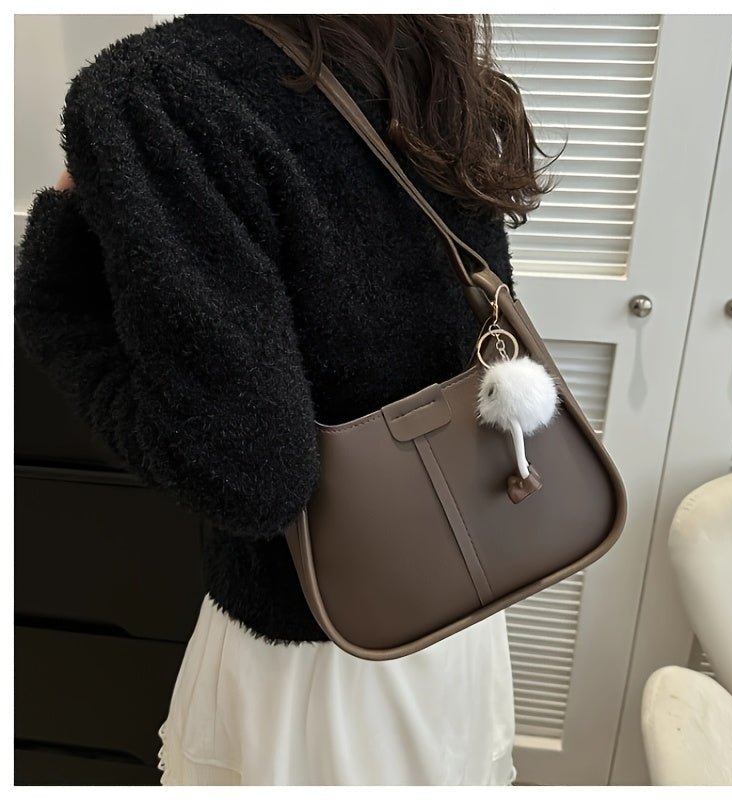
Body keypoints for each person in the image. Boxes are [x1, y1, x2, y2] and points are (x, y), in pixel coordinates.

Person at [14, 14, 555, 786]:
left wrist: (55, 285)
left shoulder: (161, 88)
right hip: (458, 602)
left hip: (320, 665)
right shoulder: (404, 38)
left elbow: (250, 477)